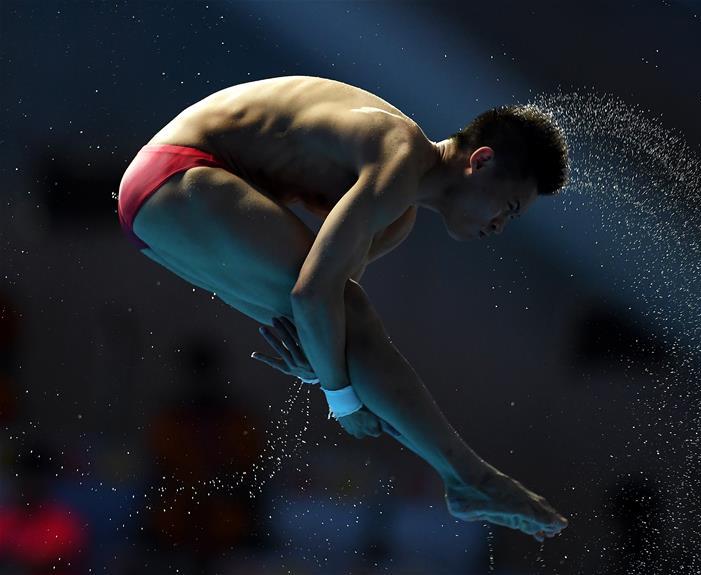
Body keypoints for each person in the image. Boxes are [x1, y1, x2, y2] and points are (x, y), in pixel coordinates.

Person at [117, 75, 569, 541]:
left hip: (160, 210)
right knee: (342, 316)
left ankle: (464, 479)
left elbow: (332, 326)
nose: (499, 226)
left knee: (345, 327)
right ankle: (471, 478)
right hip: (177, 172)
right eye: (508, 208)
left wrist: (322, 364)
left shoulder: (397, 219)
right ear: (481, 160)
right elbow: (314, 296)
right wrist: (339, 399)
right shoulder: (399, 153)